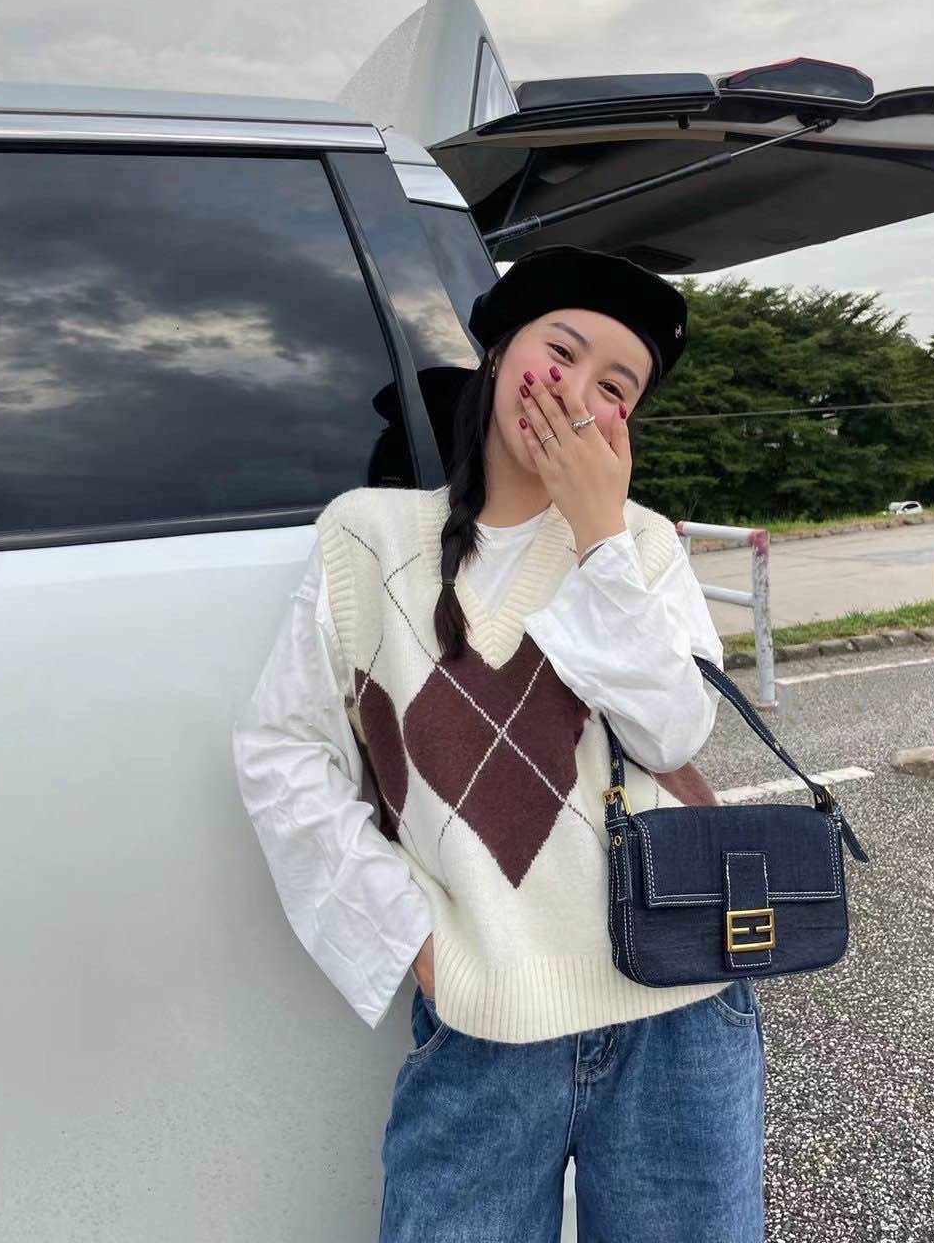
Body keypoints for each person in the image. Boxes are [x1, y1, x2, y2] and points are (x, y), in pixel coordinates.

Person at [232, 244, 767, 1242]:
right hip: (484, 1023)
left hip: (681, 1010)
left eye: (615, 387)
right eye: (561, 351)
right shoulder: (369, 538)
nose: (575, 391)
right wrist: (411, 940)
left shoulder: (644, 544)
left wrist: (600, 536)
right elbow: (282, 752)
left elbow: (673, 731)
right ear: (498, 353)